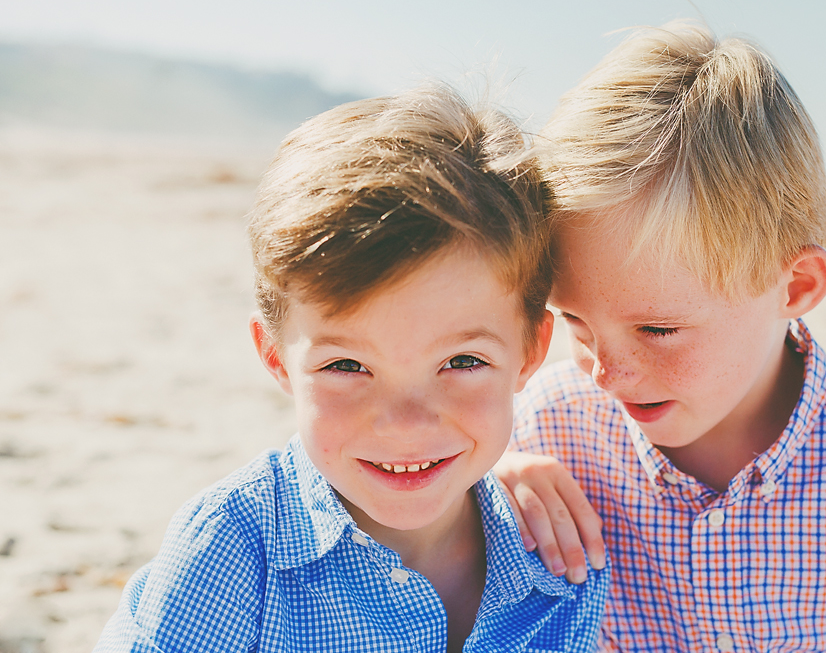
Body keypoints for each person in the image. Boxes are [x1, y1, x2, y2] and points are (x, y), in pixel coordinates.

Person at [497, 22, 826, 652]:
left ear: (794, 288)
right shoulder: (542, 432)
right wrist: (486, 485)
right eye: (575, 320)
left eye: (658, 329)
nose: (605, 370)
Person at [94, 85, 608, 653]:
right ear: (274, 357)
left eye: (462, 362)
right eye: (347, 365)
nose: (406, 423)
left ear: (531, 352)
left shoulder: (560, 556)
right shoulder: (232, 554)